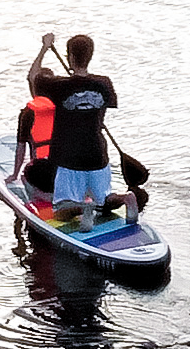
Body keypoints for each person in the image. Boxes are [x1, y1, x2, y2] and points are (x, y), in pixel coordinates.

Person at [27, 31, 129, 222]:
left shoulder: (59, 85)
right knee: (105, 200)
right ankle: (124, 198)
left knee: (61, 210)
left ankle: (83, 206)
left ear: (70, 57)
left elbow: (33, 77)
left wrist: (45, 47)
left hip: (69, 159)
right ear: (90, 56)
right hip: (98, 156)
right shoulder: (104, 83)